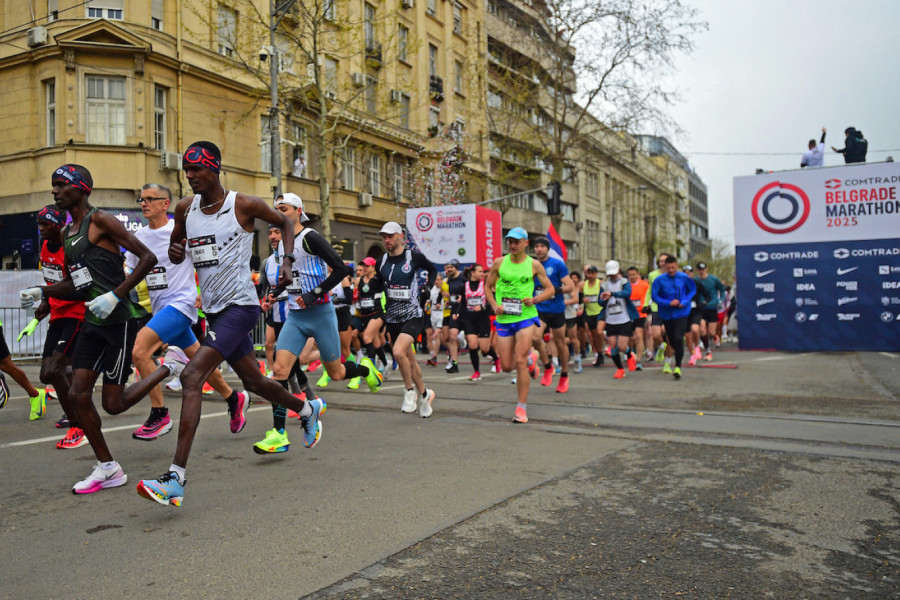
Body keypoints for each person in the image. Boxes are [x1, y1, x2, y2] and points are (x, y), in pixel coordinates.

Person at [135, 142, 323, 506]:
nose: (189, 175)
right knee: (253, 381)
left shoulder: (242, 204)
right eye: (186, 170)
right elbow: (178, 246)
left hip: (241, 305)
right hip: (216, 310)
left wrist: (285, 262)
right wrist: (177, 250)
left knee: (192, 377)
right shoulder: (185, 208)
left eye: (196, 169)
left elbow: (284, 221)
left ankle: (176, 478)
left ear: (215, 168)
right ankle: (306, 409)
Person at [19, 164, 160, 494]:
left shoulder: (101, 220)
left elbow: (148, 258)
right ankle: (109, 468)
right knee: (77, 394)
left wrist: (116, 294)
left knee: (113, 404)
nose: (54, 191)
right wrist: (43, 292)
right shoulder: (68, 234)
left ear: (81, 188)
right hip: (91, 323)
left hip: (119, 322)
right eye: (53, 185)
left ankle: (166, 368)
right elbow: (76, 283)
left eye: (60, 185)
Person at [256, 193, 376, 454]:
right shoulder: (281, 247)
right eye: (276, 209)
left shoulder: (310, 237)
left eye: (283, 209)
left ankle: (366, 370)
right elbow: (289, 280)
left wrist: (314, 294)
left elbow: (341, 269)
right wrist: (272, 296)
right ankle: (279, 433)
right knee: (279, 371)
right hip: (295, 317)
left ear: (298, 211)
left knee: (337, 373)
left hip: (321, 315)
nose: (279, 213)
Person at [125, 183, 245, 441]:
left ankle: (160, 414)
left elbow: (209, 260)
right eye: (141, 199)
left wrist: (206, 290)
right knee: (198, 360)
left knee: (140, 351)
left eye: (149, 199)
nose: (143, 203)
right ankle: (234, 398)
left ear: (165, 204)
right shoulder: (139, 238)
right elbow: (131, 271)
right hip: (161, 307)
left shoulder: (180, 231)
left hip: (182, 303)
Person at [16, 205, 84, 447]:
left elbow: (79, 286)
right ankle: (77, 412)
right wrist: (45, 302)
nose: (41, 229)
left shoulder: (71, 248)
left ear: (58, 225)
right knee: (47, 374)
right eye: (40, 224)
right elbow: (51, 281)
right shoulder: (45, 247)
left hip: (76, 314)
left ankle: (78, 424)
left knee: (57, 369)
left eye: (46, 225)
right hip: (57, 314)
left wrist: (44, 294)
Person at [484, 227, 555, 423]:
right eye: (510, 242)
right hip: (505, 318)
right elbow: (487, 287)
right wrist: (494, 305)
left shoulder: (534, 265)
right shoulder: (499, 263)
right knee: (506, 366)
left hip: (525, 316)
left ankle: (521, 409)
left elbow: (550, 290)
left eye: (517, 242)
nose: (513, 245)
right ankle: (533, 358)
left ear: (526, 243)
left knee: (519, 360)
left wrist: (536, 299)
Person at [377, 221, 437, 416]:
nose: (387, 240)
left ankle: (409, 391)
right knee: (409, 360)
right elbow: (379, 288)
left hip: (413, 314)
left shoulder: (413, 257)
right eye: (384, 237)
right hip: (393, 318)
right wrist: (381, 310)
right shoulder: (382, 261)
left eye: (390, 236)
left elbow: (433, 269)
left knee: (397, 352)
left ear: (400, 236)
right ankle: (425, 394)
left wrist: (427, 287)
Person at [531, 237, 574, 393]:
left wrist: (556, 290)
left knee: (560, 343)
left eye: (542, 246)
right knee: (535, 338)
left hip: (556, 309)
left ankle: (564, 375)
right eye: (536, 246)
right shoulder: (531, 265)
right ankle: (548, 366)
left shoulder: (557, 265)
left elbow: (570, 286)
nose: (539, 249)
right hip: (539, 308)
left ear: (547, 249)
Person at [651, 255, 696, 379]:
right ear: (664, 266)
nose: (671, 270)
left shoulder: (684, 278)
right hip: (666, 313)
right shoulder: (659, 280)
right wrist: (668, 303)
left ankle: (678, 367)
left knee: (678, 337)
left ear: (677, 266)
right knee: (671, 338)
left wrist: (685, 301)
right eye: (668, 268)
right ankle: (673, 355)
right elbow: (654, 296)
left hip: (682, 312)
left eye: (673, 267)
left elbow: (692, 290)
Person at [598, 260, 640, 379]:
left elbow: (627, 293)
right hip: (611, 319)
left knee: (622, 346)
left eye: (614, 273)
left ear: (619, 271)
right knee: (613, 347)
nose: (612, 276)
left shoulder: (624, 282)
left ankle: (629, 354)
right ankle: (620, 369)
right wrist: (603, 298)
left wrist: (612, 294)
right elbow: (600, 301)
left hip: (624, 319)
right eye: (610, 274)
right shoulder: (604, 285)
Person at [458, 263, 498, 381]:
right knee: (473, 345)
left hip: (483, 319)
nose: (482, 274)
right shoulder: (464, 286)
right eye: (480, 272)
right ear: (472, 273)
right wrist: (461, 319)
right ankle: (476, 372)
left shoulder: (485, 285)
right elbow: (463, 304)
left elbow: (492, 302)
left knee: (485, 349)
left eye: (482, 272)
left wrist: (482, 307)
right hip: (470, 320)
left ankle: (496, 359)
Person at [695, 261, 725, 362]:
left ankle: (714, 336)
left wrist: (721, 300)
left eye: (703, 269)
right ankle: (708, 351)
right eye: (699, 269)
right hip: (701, 308)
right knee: (702, 330)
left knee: (711, 332)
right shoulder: (695, 280)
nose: (701, 271)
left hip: (712, 307)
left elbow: (722, 289)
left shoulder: (713, 279)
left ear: (706, 269)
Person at [442, 259, 466, 373]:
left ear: (456, 267)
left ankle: (454, 361)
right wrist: (449, 301)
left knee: (453, 335)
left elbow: (469, 290)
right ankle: (454, 362)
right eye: (448, 267)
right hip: (453, 310)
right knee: (450, 336)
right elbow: (452, 296)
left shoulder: (463, 279)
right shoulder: (449, 281)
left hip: (463, 310)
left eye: (451, 267)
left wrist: (463, 297)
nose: (449, 269)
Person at [582, 265, 605, 366]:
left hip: (599, 311)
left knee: (599, 333)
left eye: (592, 273)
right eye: (588, 273)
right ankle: (599, 353)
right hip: (589, 312)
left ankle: (601, 352)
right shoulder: (583, 284)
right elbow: (577, 296)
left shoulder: (600, 284)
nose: (590, 275)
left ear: (596, 274)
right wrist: (582, 300)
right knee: (593, 335)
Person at [626, 266, 648, 371]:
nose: (632, 277)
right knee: (630, 338)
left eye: (634, 274)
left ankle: (638, 361)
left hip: (640, 314)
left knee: (639, 335)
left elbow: (649, 297)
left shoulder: (644, 285)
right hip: (628, 314)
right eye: (630, 275)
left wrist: (647, 307)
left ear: (638, 274)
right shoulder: (625, 285)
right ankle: (631, 355)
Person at [564, 271, 583, 374]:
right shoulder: (552, 285)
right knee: (559, 339)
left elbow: (575, 300)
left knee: (573, 338)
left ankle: (577, 358)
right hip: (559, 315)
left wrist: (564, 303)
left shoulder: (569, 286)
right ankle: (562, 363)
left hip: (570, 315)